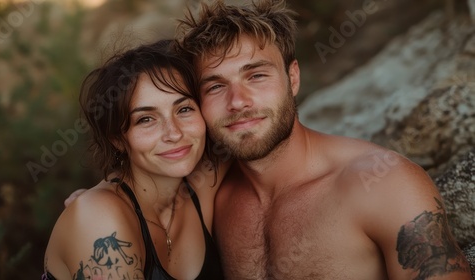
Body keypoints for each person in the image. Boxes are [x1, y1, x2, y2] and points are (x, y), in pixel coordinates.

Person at [173, 0, 472, 279]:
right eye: (215, 87)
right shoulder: (214, 200)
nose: (237, 102)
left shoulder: (385, 183)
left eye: (256, 76)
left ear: (293, 79)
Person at [44, 39, 228, 279]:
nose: (174, 133)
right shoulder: (98, 218)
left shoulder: (205, 182)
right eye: (146, 119)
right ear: (117, 139)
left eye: (184, 109)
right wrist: (92, 205)